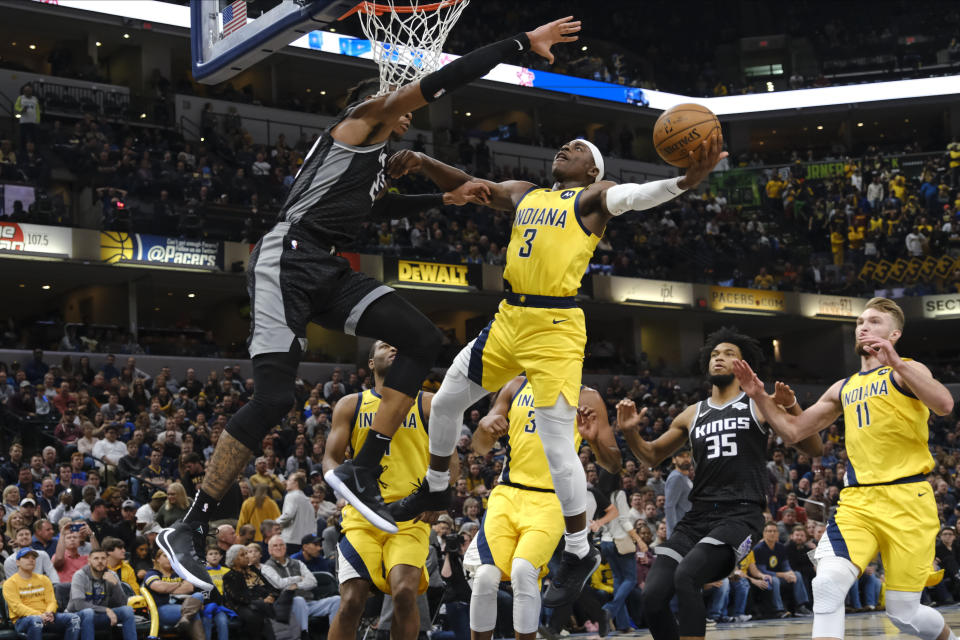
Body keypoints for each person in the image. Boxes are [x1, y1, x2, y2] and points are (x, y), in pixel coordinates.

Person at [159, 15, 580, 591]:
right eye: (400, 107)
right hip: (288, 254)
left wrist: (441, 197)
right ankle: (190, 523)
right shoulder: (360, 122)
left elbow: (367, 213)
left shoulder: (371, 163)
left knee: (423, 338)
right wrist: (520, 45)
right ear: (377, 103)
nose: (408, 115)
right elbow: (443, 81)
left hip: (327, 262)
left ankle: (363, 466)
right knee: (276, 394)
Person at [385, 114, 725, 609]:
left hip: (555, 328)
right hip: (508, 318)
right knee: (444, 404)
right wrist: (421, 161)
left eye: (579, 147)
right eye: (565, 142)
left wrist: (684, 181)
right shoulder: (527, 193)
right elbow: (470, 184)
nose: (566, 146)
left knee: (556, 444)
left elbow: (633, 198)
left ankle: (579, 549)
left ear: (593, 171)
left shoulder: (591, 198)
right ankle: (437, 486)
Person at [733, 297, 956, 640]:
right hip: (858, 502)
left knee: (903, 612)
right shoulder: (843, 387)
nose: (863, 326)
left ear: (894, 334)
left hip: (908, 499)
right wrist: (759, 395)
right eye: (860, 322)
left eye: (874, 321)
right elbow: (794, 431)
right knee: (827, 584)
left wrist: (897, 363)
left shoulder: (908, 370)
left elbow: (944, 404)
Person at [616, 327, 822, 640]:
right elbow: (651, 456)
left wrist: (792, 406)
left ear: (744, 366)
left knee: (686, 576)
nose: (719, 359)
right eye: (714, 355)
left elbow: (814, 448)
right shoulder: (691, 413)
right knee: (653, 596)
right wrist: (631, 432)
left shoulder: (758, 404)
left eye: (728, 354)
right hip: (698, 518)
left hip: (740, 516)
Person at [463, 375, 621, 640]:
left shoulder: (587, 397)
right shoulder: (515, 385)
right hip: (507, 493)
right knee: (484, 577)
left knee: (524, 572)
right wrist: (483, 427)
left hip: (551, 499)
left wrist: (593, 440)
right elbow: (479, 447)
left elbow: (614, 464)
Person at [323, 340, 440, 640]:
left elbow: (449, 458)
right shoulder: (351, 403)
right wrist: (340, 485)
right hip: (362, 515)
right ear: (371, 363)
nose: (394, 348)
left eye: (399, 345)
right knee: (351, 600)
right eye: (385, 345)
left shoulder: (428, 403)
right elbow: (331, 459)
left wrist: (439, 496)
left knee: (403, 593)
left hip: (409, 516)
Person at [260, 534, 341, 638]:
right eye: (275, 546)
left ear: (285, 547)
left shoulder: (297, 563)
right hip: (285, 607)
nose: (279, 548)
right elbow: (279, 584)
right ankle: (304, 634)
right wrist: (298, 578)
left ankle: (334, 635)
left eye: (281, 545)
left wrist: (296, 585)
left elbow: (312, 581)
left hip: (308, 603)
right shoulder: (266, 567)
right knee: (298, 600)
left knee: (336, 600)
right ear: (269, 550)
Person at [2, 548, 81, 640]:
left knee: (74, 619)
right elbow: (17, 607)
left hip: (46, 617)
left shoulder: (44, 579)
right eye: (26, 557)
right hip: (23, 620)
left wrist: (49, 612)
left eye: (33, 558)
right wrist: (39, 615)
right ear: (17, 562)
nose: (31, 560)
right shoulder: (10, 583)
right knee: (36, 621)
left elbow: (52, 601)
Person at [67, 548, 138, 640]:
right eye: (96, 558)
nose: (100, 561)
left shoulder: (111, 575)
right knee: (88, 613)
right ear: (89, 561)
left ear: (107, 560)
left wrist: (115, 585)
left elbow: (122, 603)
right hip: (78, 615)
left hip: (101, 616)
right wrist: (106, 610)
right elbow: (79, 604)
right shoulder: (80, 575)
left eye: (103, 558)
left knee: (127, 610)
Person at [143, 548, 205, 640]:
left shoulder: (179, 573)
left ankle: (185, 618)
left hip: (183, 605)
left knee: (198, 596)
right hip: (160, 609)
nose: (169, 558)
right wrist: (179, 584)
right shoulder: (152, 573)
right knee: (195, 613)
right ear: (157, 559)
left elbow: (189, 587)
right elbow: (160, 587)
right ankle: (186, 619)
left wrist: (167, 588)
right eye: (165, 556)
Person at [222, 544, 279, 640]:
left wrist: (272, 596)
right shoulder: (230, 576)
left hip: (262, 602)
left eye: (246, 553)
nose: (247, 556)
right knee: (254, 615)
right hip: (241, 605)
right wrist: (260, 601)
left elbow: (270, 587)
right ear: (233, 560)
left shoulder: (253, 570)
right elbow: (237, 597)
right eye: (242, 555)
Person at [276, 473, 315, 556]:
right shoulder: (307, 500)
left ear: (296, 483)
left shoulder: (291, 496)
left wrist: (274, 524)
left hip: (290, 540)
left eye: (289, 480)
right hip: (305, 543)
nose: (286, 482)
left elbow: (288, 515)